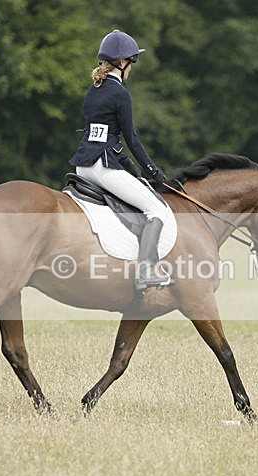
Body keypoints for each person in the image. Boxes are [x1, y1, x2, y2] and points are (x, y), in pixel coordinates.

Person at [69, 29, 172, 292]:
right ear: (123, 62)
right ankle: (147, 270)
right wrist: (153, 171)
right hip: (102, 168)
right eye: (132, 63)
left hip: (83, 166)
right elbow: (132, 138)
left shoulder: (95, 89)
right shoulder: (120, 93)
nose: (132, 68)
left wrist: (130, 168)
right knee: (156, 210)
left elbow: (104, 136)